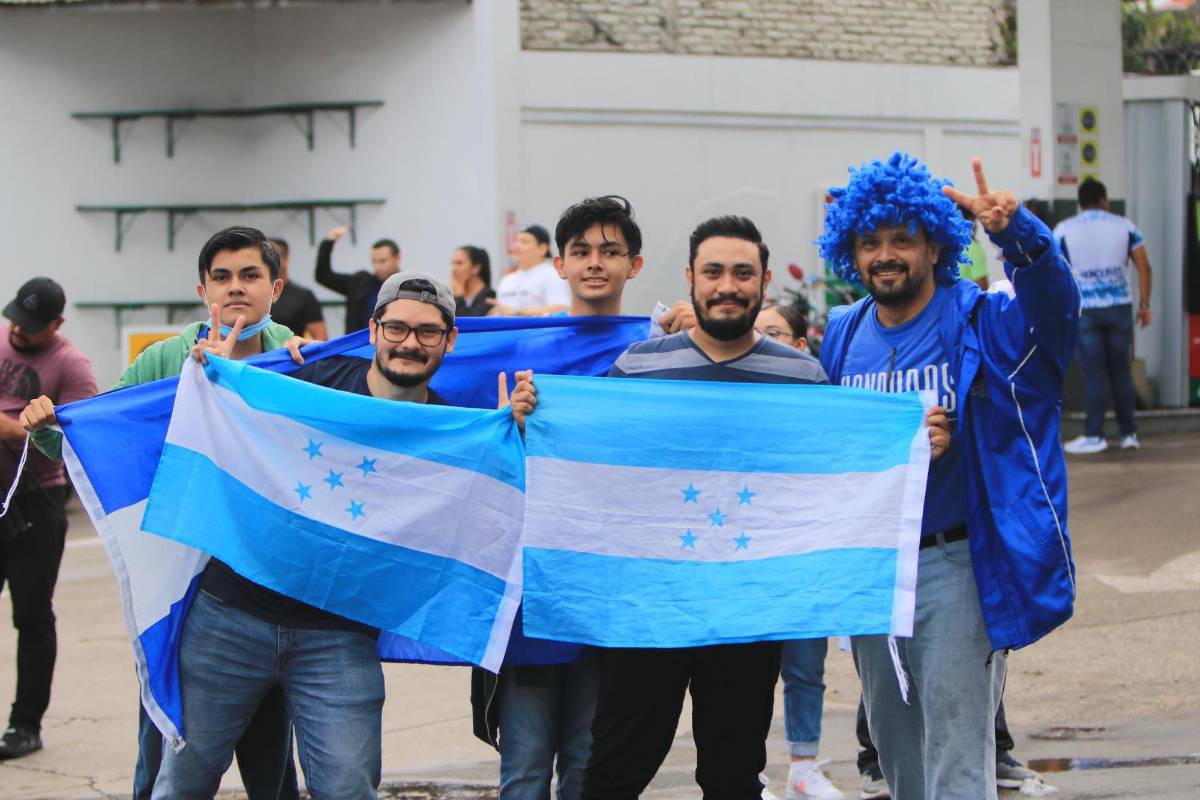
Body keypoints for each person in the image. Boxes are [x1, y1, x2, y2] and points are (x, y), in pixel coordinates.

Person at [817, 153, 1079, 800]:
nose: (885, 254)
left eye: (902, 239)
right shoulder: (843, 335)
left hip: (955, 563)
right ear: (851, 250)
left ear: (935, 245)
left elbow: (1056, 322)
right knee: (898, 760)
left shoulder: (979, 319)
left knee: (959, 765)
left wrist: (1020, 237)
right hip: (875, 573)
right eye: (870, 241)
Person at [147, 270, 460, 799]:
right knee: (183, 784)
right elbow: (227, 418)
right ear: (373, 329)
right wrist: (222, 373)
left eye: (428, 332)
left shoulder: (455, 432)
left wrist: (511, 434)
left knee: (347, 788)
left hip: (337, 639)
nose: (410, 342)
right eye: (398, 327)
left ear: (449, 340)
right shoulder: (311, 377)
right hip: (230, 618)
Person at [20, 226, 308, 799]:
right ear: (203, 290)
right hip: (179, 585)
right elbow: (106, 432)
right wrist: (52, 428)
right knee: (163, 742)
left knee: (271, 755)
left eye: (250, 276)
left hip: (267, 587)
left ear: (276, 286)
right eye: (221, 277)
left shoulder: (298, 359)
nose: (235, 289)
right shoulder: (164, 359)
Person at [575, 215, 828, 800]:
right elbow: (591, 466)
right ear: (690, 278)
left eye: (743, 273)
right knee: (615, 769)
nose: (727, 285)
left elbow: (826, 480)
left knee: (733, 776)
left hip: (748, 613)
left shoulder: (803, 377)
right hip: (649, 611)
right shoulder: (638, 367)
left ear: (764, 283)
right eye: (713, 272)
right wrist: (533, 415)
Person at [474, 196, 646, 800]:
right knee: (523, 769)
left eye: (610, 251)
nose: (595, 263)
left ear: (636, 265)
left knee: (586, 767)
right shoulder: (520, 354)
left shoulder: (661, 353)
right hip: (534, 591)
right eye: (581, 252)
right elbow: (403, 373)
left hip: (612, 592)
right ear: (559, 264)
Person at [0, 278, 97, 760]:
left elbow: (80, 437)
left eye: (32, 326)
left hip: (38, 500)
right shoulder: (3, 338)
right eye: (16, 317)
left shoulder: (72, 366)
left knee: (32, 615)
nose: (19, 329)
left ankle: (25, 724)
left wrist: (14, 428)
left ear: (57, 325)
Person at [752, 304, 843, 800]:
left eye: (774, 333)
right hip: (751, 563)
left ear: (800, 344)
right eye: (756, 333)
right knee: (749, 673)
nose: (762, 341)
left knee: (806, 667)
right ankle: (753, 770)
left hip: (805, 559)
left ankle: (803, 766)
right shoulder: (736, 396)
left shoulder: (818, 395)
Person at [1054, 177, 1152, 454]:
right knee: (1121, 370)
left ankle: (1094, 435)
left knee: (1093, 372)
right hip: (1120, 307)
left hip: (1085, 310)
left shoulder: (1064, 229)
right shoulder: (1125, 226)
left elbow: (1054, 269)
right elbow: (1144, 265)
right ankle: (1129, 433)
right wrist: (1144, 304)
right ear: (1104, 200)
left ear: (1080, 203)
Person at [315, 225, 401, 334]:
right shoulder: (359, 283)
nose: (377, 267)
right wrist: (328, 242)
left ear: (397, 258)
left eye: (382, 261)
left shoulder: (407, 287)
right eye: (374, 262)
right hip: (359, 347)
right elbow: (324, 276)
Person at [490, 225, 570, 316]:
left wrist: (517, 311)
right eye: (515, 241)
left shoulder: (552, 274)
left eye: (524, 241)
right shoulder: (506, 279)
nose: (516, 246)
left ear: (542, 248)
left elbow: (562, 308)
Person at [268, 237, 327, 340]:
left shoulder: (303, 296)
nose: (268, 262)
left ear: (285, 259)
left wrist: (304, 353)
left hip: (291, 354)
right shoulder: (253, 294)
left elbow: (321, 337)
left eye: (272, 256)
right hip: (255, 355)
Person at [451, 245, 496, 317]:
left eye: (459, 263)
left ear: (476, 268)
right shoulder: (452, 295)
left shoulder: (489, 296)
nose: (454, 268)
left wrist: (458, 297)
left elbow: (470, 323)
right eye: (453, 263)